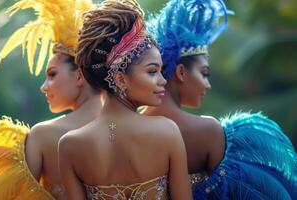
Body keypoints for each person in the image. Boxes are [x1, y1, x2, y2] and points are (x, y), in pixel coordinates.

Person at [0, 0, 101, 199]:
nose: (43, 87)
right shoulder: (137, 128)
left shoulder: (43, 135)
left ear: (79, 76)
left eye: (52, 75)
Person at [144, 0, 297, 199]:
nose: (207, 84)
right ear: (181, 72)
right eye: (204, 73)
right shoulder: (209, 131)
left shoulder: (125, 128)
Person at [58, 0, 192, 199]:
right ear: (120, 79)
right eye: (153, 71)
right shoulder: (167, 132)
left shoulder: (69, 145)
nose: (163, 80)